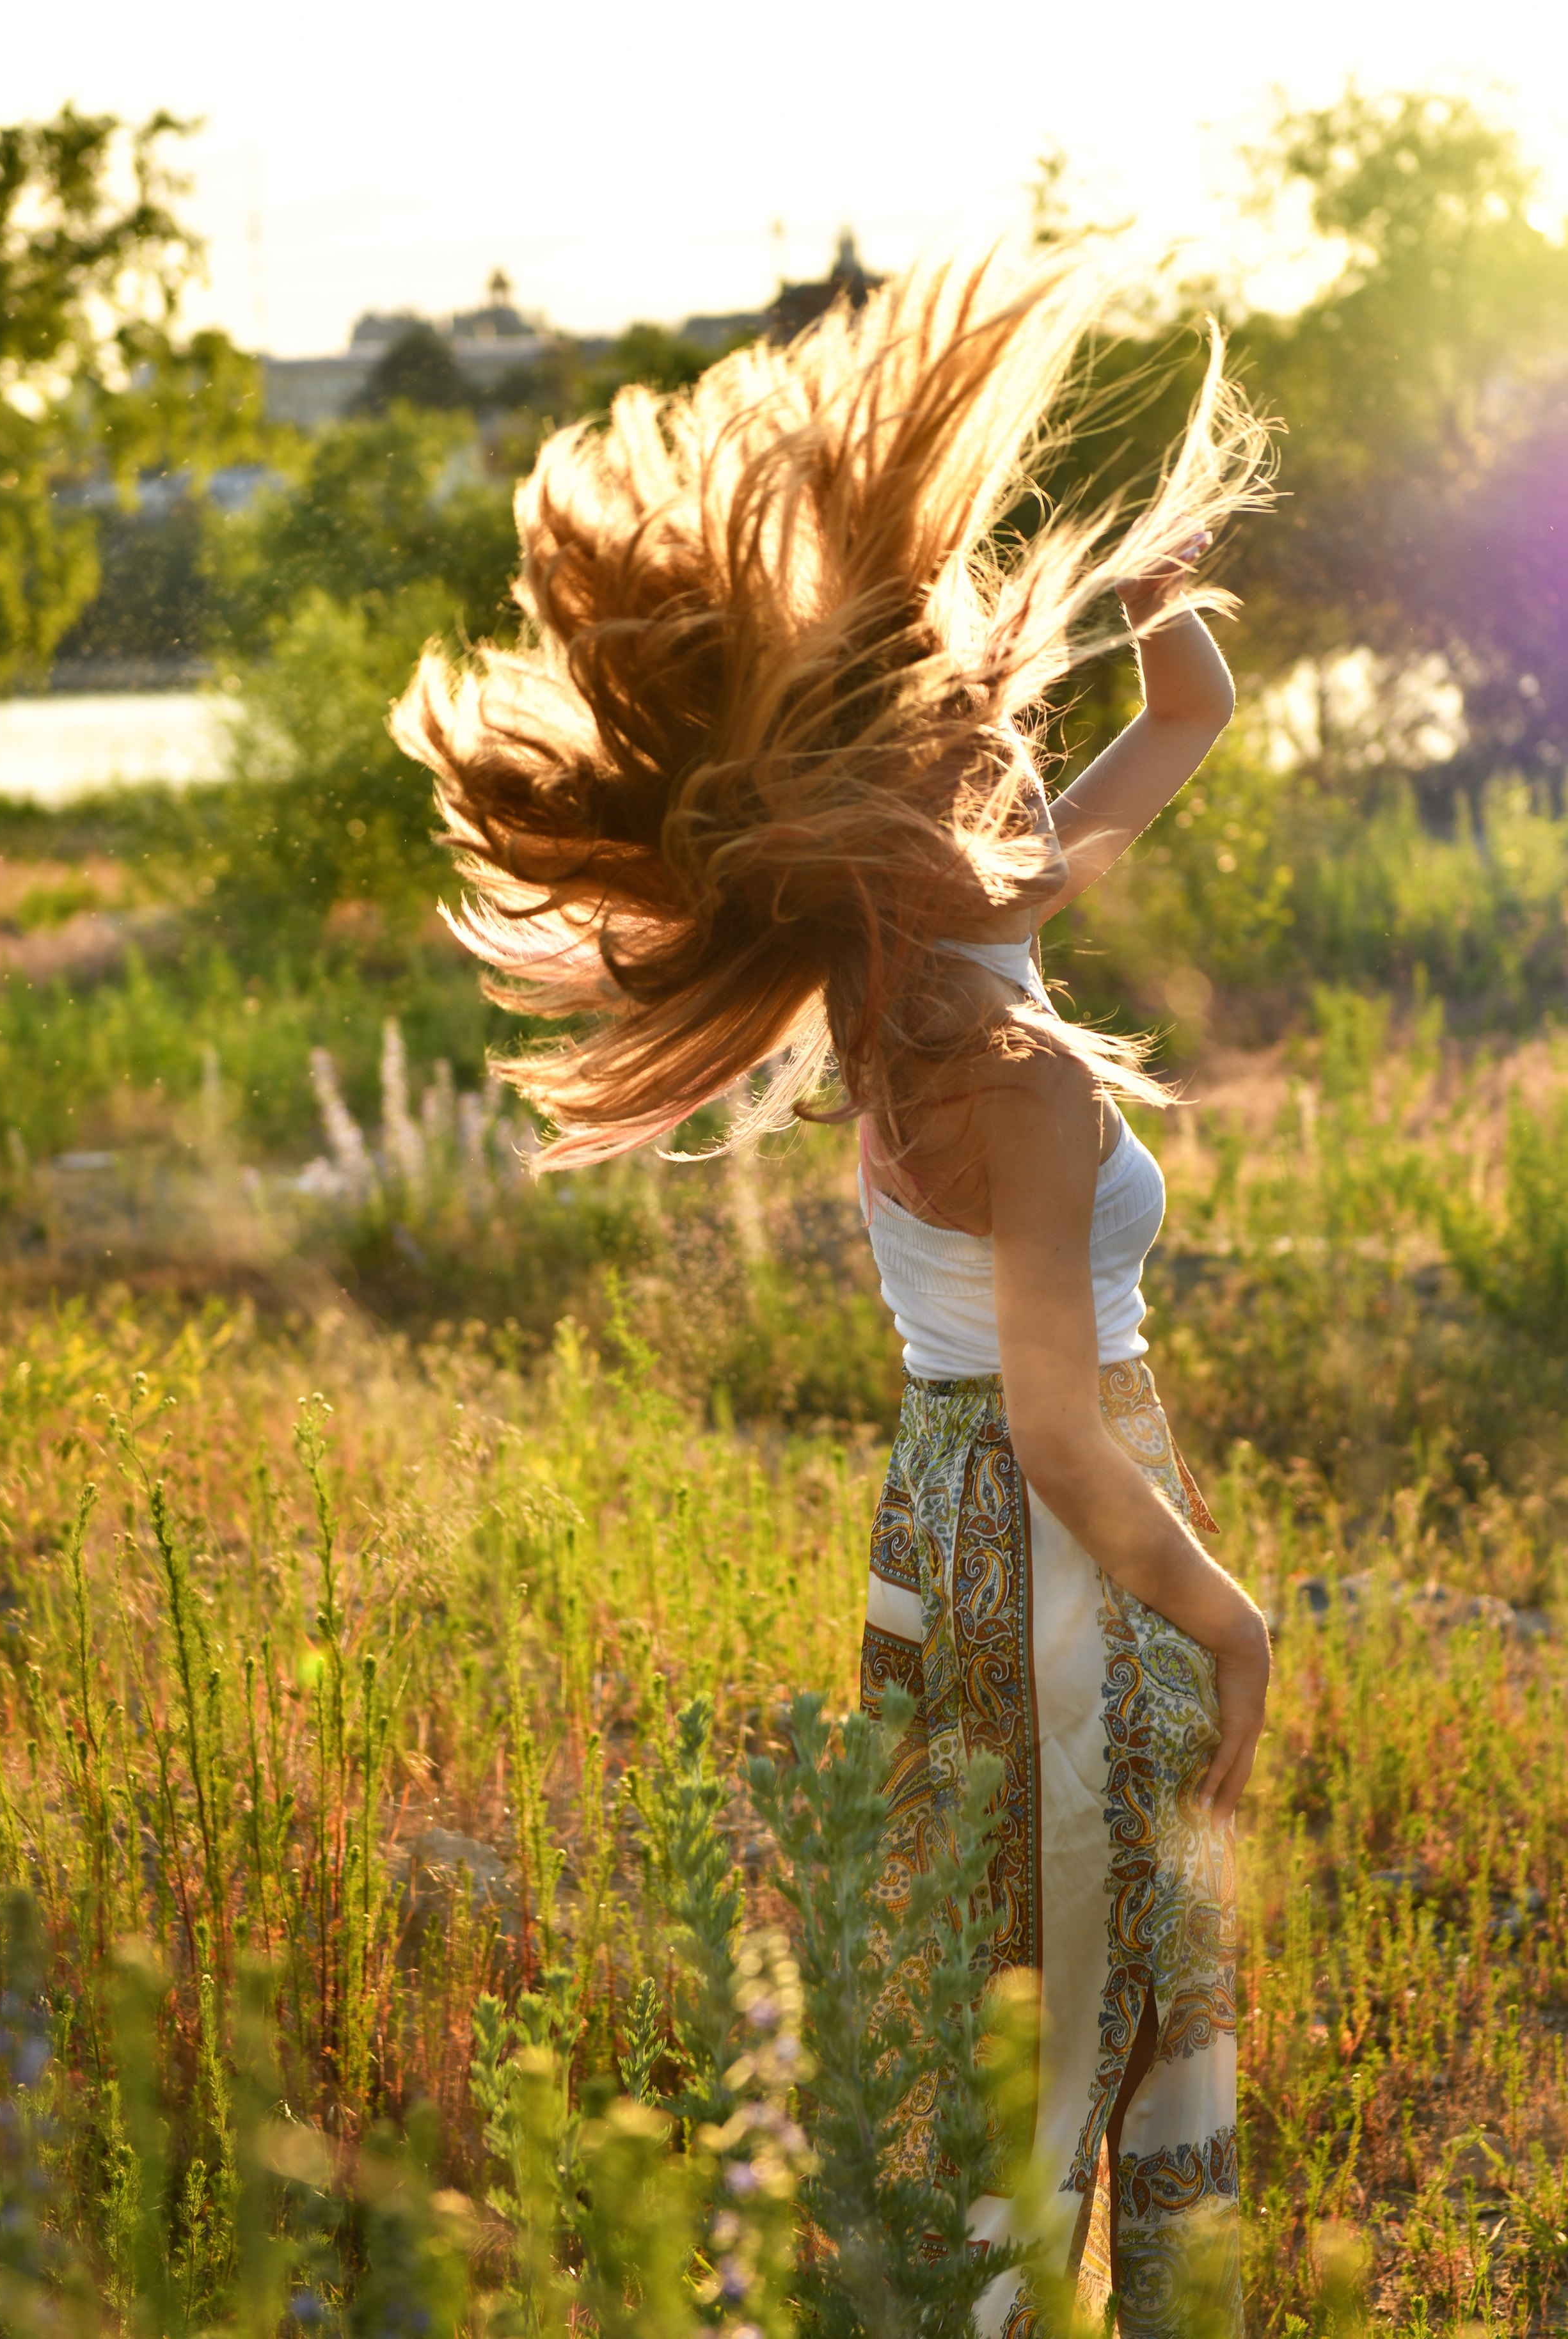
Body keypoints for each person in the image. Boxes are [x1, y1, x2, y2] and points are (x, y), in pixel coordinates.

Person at [393, 246, 1272, 2338]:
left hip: (935, 1517)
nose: (1009, 746)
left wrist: (1144, 556)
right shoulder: (1021, 1073)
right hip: (1050, 1536)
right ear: (927, 800)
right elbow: (1066, 1429)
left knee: (1000, 1973)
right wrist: (1238, 1622)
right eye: (978, 733)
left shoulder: (925, 982)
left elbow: (1187, 717)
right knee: (1089, 1990)